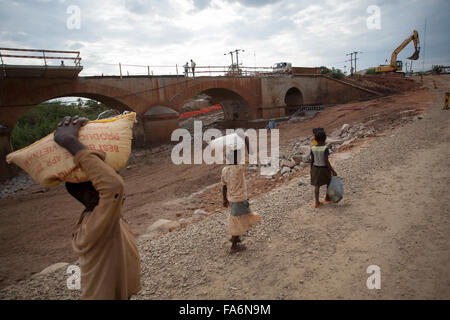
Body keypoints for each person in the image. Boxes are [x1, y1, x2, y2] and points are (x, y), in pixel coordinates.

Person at [54, 115, 141, 300]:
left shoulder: (96, 216)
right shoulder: (98, 223)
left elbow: (111, 186)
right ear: (92, 195)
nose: (115, 176)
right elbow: (114, 186)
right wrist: (70, 142)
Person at [221, 143, 260, 253]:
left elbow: (223, 186)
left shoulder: (225, 170)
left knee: (237, 219)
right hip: (240, 199)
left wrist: (224, 199)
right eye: (238, 156)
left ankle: (236, 237)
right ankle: (234, 245)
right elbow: (251, 156)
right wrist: (247, 142)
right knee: (238, 221)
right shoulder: (238, 168)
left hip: (231, 199)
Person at [310, 130, 337, 208]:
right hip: (324, 168)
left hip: (315, 168)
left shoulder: (313, 148)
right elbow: (326, 161)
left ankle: (317, 202)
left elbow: (312, 160)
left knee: (317, 185)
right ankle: (327, 198)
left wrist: (311, 170)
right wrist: (332, 170)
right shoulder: (325, 148)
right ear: (324, 139)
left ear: (316, 139)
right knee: (329, 182)